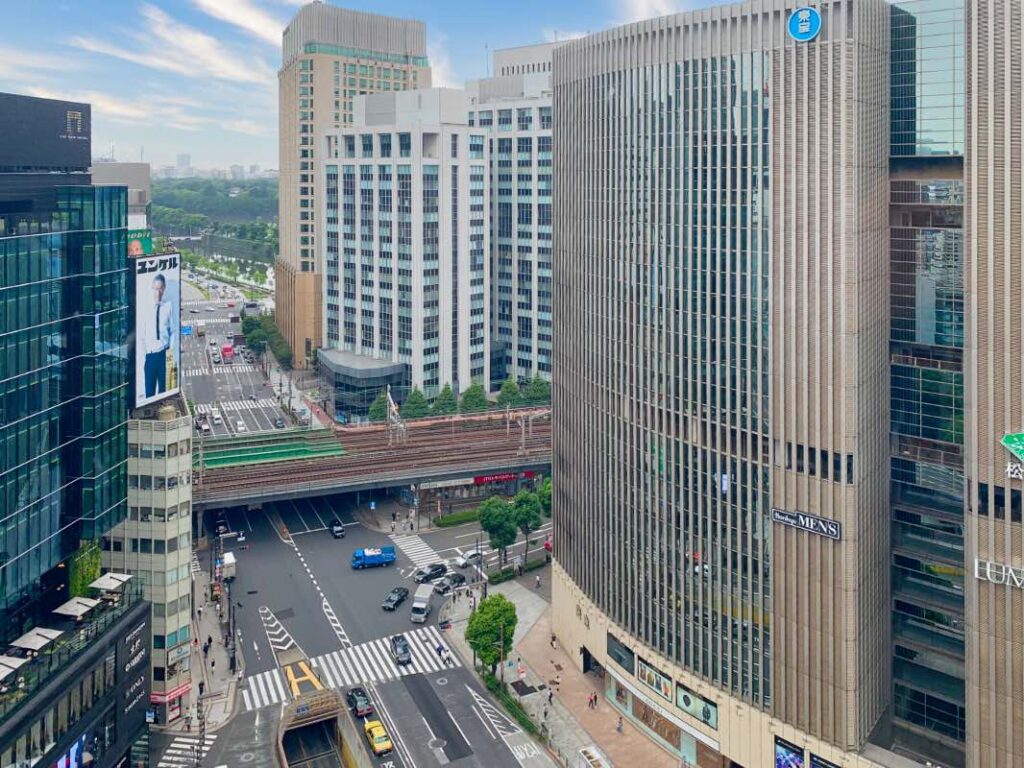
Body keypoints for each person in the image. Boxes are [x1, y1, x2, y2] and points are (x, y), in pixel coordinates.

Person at [142, 273, 176, 399]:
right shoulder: (145, 309)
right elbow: (141, 335)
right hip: (150, 356)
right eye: (156, 289)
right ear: (152, 288)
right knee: (149, 393)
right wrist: (145, 351)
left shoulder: (168, 307)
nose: (158, 293)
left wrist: (170, 350)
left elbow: (172, 331)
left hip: (164, 354)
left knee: (164, 393)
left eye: (160, 289)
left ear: (164, 288)